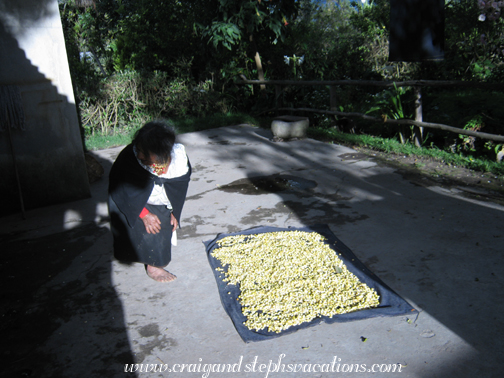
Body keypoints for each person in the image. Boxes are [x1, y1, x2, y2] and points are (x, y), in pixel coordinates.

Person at [108, 121, 191, 282]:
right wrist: (144, 214)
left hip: (158, 199)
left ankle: (154, 263)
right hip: (131, 199)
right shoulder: (130, 158)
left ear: (162, 153)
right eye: (138, 149)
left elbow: (179, 188)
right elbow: (121, 189)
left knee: (162, 223)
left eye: (145, 153)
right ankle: (147, 262)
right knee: (140, 224)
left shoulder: (178, 161)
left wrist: (175, 211)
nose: (139, 155)